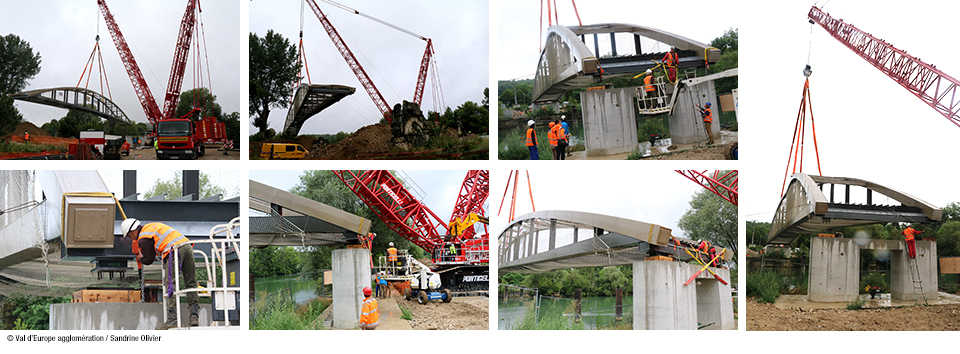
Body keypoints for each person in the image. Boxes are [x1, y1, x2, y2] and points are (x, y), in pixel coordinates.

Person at [121, 218, 199, 329]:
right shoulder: (150, 227)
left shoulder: (143, 238)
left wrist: (141, 257)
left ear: (133, 232)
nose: (131, 239)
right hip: (186, 246)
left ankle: (172, 318)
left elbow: (149, 260)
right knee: (190, 282)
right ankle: (194, 316)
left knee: (171, 283)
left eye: (129, 236)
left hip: (174, 250)